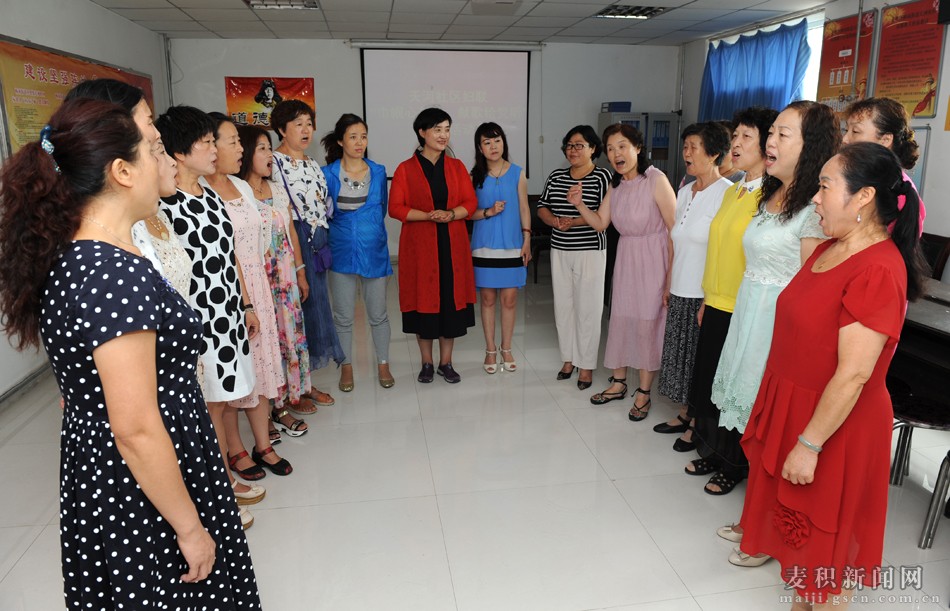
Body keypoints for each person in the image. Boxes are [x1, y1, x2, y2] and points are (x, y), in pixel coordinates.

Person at [0, 98, 261, 608]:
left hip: (124, 469)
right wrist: (189, 527)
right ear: (122, 171)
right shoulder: (111, 274)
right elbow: (136, 429)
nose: (165, 161)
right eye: (154, 150)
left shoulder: (90, 255)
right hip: (141, 482)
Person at [737, 142, 926, 608]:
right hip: (798, 410)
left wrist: (809, 445)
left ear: (864, 197)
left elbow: (854, 374)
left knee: (826, 567)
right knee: (801, 559)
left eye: (824, 186)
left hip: (832, 427)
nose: (815, 198)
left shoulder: (878, 268)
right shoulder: (827, 249)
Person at [700, 102, 837, 500]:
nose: (770, 142)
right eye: (771, 132)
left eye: (782, 134)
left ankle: (761, 495)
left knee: (766, 410)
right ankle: (740, 474)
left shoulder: (813, 210)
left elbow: (813, 290)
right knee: (740, 399)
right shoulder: (770, 194)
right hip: (749, 311)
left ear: (811, 145)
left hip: (777, 325)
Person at [676, 107, 778, 490]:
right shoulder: (734, 190)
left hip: (743, 307)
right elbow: (717, 249)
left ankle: (733, 464)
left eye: (746, 137)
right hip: (716, 301)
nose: (735, 143)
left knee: (735, 388)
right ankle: (711, 450)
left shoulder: (771, 197)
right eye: (735, 136)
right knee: (710, 383)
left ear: (767, 146)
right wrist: (707, 297)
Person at [202, 112, 295, 477]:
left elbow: (261, 237)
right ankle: (236, 449)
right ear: (208, 146)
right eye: (233, 142)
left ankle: (263, 444)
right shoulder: (201, 193)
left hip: (257, 285)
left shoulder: (240, 187)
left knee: (262, 368)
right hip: (230, 290)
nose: (240, 149)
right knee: (232, 374)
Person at [567, 124, 676, 414]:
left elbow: (674, 229)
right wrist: (579, 205)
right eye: (611, 148)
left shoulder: (656, 179)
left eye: (623, 146)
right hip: (627, 259)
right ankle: (618, 382)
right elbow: (601, 223)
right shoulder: (616, 186)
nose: (617, 154)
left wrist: (670, 277)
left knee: (647, 323)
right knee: (622, 318)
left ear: (638, 148)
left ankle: (644, 391)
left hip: (653, 259)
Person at [389, 107, 477, 383]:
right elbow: (395, 208)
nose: (443, 135)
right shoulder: (405, 169)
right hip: (420, 249)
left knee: (450, 303)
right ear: (422, 132)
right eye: (437, 129)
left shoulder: (457, 166)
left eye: (447, 129)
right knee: (423, 304)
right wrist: (428, 216)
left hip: (452, 246)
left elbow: (470, 203)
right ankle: (426, 363)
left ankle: (446, 363)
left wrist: (451, 214)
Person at [238, 124, 316, 427]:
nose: (270, 154)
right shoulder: (239, 193)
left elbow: (291, 232)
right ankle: (268, 408)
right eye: (262, 148)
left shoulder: (278, 190)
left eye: (270, 148)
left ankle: (289, 397)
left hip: (285, 276)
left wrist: (300, 271)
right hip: (260, 279)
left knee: (289, 333)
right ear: (246, 153)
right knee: (265, 343)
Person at [655, 123, 732, 424]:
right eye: (684, 146)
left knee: (699, 360)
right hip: (679, 288)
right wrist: (668, 282)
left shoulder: (726, 194)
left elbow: (725, 252)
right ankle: (686, 413)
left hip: (703, 293)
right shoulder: (685, 191)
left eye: (693, 147)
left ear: (713, 154)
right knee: (680, 357)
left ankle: (698, 422)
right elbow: (674, 240)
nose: (686, 153)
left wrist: (708, 297)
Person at [270, 99, 345, 396]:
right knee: (295, 312)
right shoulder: (273, 163)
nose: (306, 130)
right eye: (298, 124)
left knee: (315, 308)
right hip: (293, 241)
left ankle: (305, 381)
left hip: (317, 241)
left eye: (309, 124)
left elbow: (323, 202)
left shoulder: (312, 163)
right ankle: (293, 385)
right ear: (281, 129)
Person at [320, 114, 395, 391]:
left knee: (379, 313)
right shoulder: (327, 173)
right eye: (353, 137)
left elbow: (380, 209)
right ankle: (347, 366)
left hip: (374, 251)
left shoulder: (378, 171)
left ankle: (383, 363)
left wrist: (366, 229)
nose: (359, 142)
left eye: (363, 136)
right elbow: (324, 213)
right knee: (343, 317)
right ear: (340, 141)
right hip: (340, 252)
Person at [536, 126, 612, 390]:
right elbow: (542, 206)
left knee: (588, 309)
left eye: (579, 145)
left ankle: (586, 365)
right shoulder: (556, 176)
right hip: (560, 249)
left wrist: (573, 221)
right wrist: (554, 221)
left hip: (590, 250)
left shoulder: (603, 177)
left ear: (593, 148)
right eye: (569, 145)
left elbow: (603, 216)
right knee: (563, 307)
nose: (573, 150)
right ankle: (568, 359)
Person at [469, 122, 531, 374]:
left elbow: (524, 208)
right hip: (483, 247)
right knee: (487, 299)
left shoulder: (518, 173)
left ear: (504, 142)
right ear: (479, 148)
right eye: (487, 142)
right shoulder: (474, 176)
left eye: (497, 140)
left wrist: (527, 239)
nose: (493, 146)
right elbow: (467, 213)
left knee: (509, 299)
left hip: (513, 246)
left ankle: (506, 348)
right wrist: (488, 212)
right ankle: (490, 350)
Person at [841, 97, 927, 235]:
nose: (844, 139)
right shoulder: (857, 176)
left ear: (885, 140)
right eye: (846, 130)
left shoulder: (899, 190)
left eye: (855, 131)